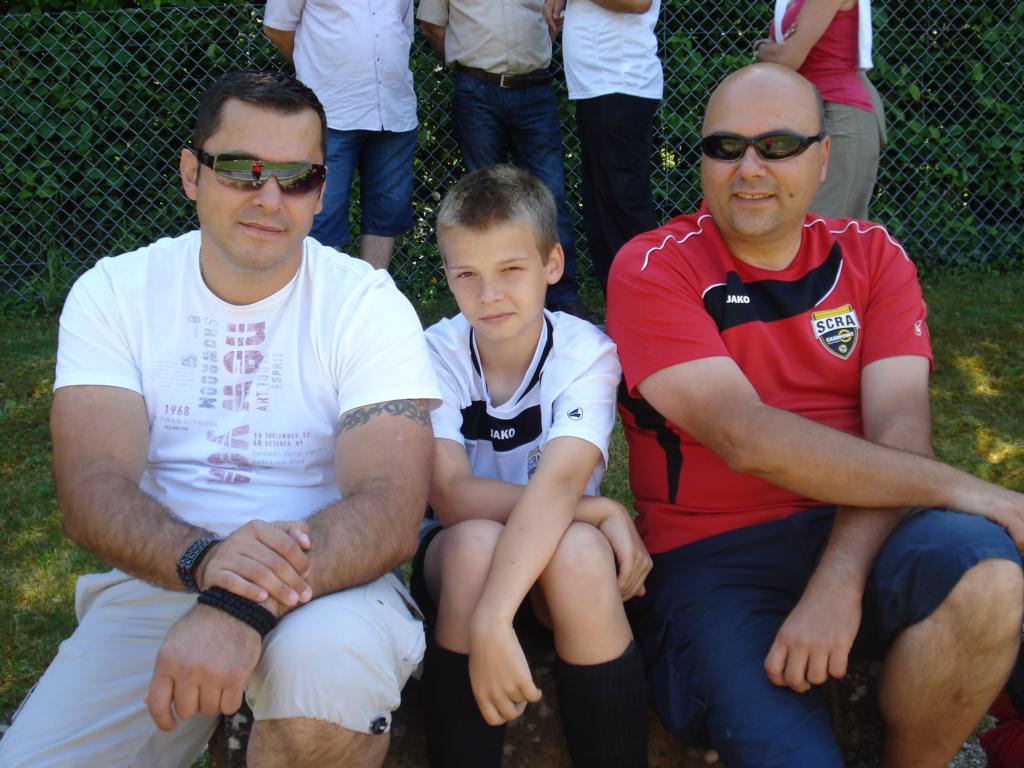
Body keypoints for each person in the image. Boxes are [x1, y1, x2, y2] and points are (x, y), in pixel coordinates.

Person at [0, 71, 439, 768]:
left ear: (321, 191)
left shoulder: (366, 303)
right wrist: (205, 563)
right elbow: (92, 489)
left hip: (331, 582)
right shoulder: (116, 293)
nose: (269, 198)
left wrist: (238, 602)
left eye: (296, 177)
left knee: (324, 688)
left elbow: (389, 507)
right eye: (240, 169)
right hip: (161, 578)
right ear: (191, 173)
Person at [606, 63, 1024, 768]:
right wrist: (971, 491)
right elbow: (747, 438)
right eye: (725, 147)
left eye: (778, 145)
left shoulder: (872, 255)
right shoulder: (655, 266)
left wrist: (837, 582)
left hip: (866, 523)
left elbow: (900, 434)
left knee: (990, 579)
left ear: (823, 156)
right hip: (715, 555)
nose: (749, 168)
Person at [411, 165, 651, 767]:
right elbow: (452, 497)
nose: (488, 294)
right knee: (477, 547)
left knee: (579, 554)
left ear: (552, 264)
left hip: (557, 561)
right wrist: (599, 508)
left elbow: (561, 482)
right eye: (467, 274)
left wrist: (496, 618)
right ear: (448, 275)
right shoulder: (431, 354)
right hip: (459, 556)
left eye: (510, 269)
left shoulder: (586, 352)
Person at [417, 0, 588, 318]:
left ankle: (562, 297)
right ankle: (493, 293)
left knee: (550, 194)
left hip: (534, 88)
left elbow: (553, 19)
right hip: (477, 91)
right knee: (483, 201)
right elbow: (431, 25)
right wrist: (467, 65)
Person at [263, 0, 417, 270]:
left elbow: (402, 29)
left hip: (394, 108)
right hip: (331, 111)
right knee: (322, 212)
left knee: (387, 211)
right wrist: (313, 67)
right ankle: (323, 290)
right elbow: (277, 27)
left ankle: (372, 288)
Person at [543, 0, 663, 295]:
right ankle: (624, 304)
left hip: (620, 84)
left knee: (624, 208)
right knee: (603, 212)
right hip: (601, 88)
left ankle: (655, 299)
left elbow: (638, 3)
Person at [755, 0, 885, 220]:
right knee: (796, 225)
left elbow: (786, 58)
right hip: (807, 117)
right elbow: (782, 51)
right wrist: (774, 49)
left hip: (839, 117)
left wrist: (760, 47)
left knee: (825, 227)